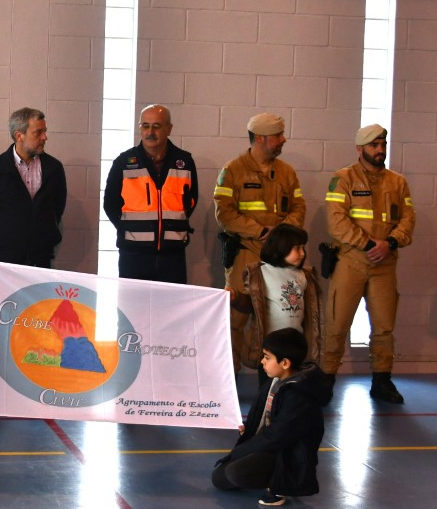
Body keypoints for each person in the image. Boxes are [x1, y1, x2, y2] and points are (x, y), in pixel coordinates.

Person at [322, 124, 416, 404]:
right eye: (374, 146)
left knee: (384, 326)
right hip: (351, 261)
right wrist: (366, 244)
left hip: (385, 263)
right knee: (337, 324)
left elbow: (408, 219)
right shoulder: (343, 179)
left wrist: (391, 242)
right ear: (360, 149)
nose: (380, 150)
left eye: (383, 145)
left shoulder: (398, 182)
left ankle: (382, 380)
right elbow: (336, 221)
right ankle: (326, 380)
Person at [214, 112, 306, 371]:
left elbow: (299, 207)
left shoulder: (287, 173)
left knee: (277, 318)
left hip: (280, 260)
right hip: (246, 253)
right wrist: (259, 231)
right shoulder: (232, 171)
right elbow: (225, 214)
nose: (283, 140)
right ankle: (228, 376)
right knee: (235, 319)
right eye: (278, 136)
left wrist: (280, 234)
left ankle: (271, 379)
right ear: (261, 138)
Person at [211, 328, 332, 507]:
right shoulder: (276, 380)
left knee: (237, 473)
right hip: (271, 447)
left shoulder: (299, 395)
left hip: (287, 455)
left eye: (267, 357)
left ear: (285, 363)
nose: (262, 361)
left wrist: (240, 451)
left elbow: (277, 437)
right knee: (220, 478)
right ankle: (266, 471)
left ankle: (279, 486)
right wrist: (248, 428)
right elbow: (264, 416)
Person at [103, 104, 198, 283]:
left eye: (157, 126)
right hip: (133, 254)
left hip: (173, 255)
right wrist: (129, 229)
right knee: (132, 308)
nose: (150, 132)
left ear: (169, 129)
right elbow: (110, 204)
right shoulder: (123, 162)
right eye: (145, 126)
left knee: (171, 309)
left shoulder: (184, 161)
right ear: (140, 128)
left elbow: (191, 201)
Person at [228, 224, 323, 387]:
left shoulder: (304, 275)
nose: (302, 253)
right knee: (267, 389)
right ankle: (268, 412)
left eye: (302, 248)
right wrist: (235, 297)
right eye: (296, 248)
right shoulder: (261, 273)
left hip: (295, 343)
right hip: (271, 346)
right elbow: (251, 304)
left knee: (294, 386)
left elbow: (310, 313)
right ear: (281, 248)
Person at [0, 107, 67, 268]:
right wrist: (0, 240)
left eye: (45, 131)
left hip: (40, 260)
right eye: (38, 132)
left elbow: (57, 209)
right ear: (19, 135)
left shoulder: (54, 168)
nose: (45, 137)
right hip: (2, 260)